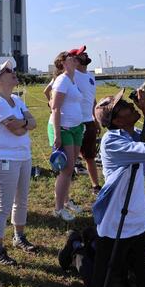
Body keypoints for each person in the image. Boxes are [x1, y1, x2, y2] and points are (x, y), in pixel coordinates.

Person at [86, 88, 145, 287]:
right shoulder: (111, 141)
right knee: (104, 280)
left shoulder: (136, 134)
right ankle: (77, 250)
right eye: (122, 107)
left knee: (139, 277)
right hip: (114, 221)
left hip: (137, 218)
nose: (130, 105)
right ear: (117, 121)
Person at [0, 60, 38, 265]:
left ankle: (19, 237)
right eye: (8, 71)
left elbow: (30, 124)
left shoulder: (16, 99)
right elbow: (14, 128)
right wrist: (24, 124)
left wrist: (23, 124)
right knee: (4, 205)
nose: (13, 72)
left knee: (22, 201)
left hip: (24, 156)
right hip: (5, 158)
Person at [48, 50, 84, 222]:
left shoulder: (72, 79)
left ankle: (66, 200)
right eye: (71, 57)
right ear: (63, 63)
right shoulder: (62, 80)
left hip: (76, 128)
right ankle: (58, 209)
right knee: (66, 169)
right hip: (64, 128)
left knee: (70, 168)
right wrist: (57, 134)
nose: (75, 58)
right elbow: (55, 108)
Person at [70, 45, 102, 195]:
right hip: (74, 123)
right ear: (76, 59)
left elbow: (92, 99)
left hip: (88, 121)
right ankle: (65, 191)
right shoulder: (71, 75)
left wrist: (95, 119)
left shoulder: (90, 75)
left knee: (90, 156)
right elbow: (51, 91)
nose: (86, 54)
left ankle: (95, 186)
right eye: (83, 53)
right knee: (69, 158)